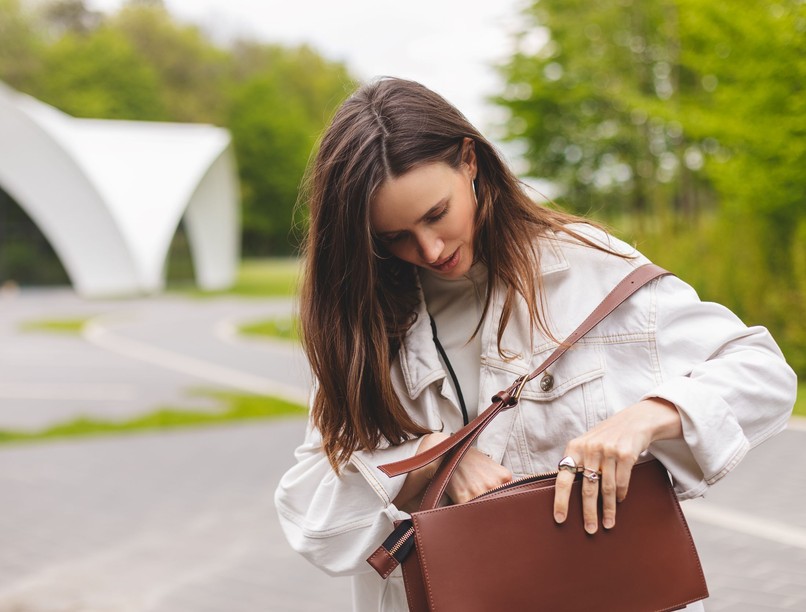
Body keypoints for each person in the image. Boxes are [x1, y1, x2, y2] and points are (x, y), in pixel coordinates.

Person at [274, 77, 797, 611]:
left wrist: (648, 416)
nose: (429, 249)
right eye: (394, 236)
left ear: (469, 161)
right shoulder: (365, 329)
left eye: (436, 214)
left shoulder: (588, 268)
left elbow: (764, 374)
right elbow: (312, 519)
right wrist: (433, 462)